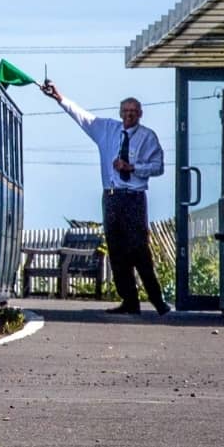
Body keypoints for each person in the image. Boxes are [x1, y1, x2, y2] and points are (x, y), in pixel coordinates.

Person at [40, 81, 169, 314]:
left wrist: (133, 167)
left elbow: (158, 166)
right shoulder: (107, 130)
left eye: (133, 112)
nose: (129, 116)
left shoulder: (148, 137)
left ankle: (157, 301)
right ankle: (129, 301)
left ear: (140, 114)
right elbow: (81, 116)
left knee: (139, 250)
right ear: (120, 113)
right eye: (126, 112)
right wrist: (59, 98)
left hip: (134, 197)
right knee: (117, 251)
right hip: (111, 197)